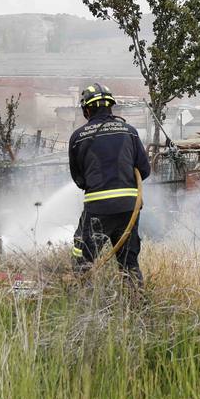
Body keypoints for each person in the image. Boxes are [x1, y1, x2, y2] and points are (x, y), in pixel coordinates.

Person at [67, 82, 151, 282]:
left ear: (87, 110)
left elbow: (79, 180)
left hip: (98, 208)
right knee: (129, 263)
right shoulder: (129, 131)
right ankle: (137, 303)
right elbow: (144, 170)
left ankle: (81, 297)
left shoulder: (78, 137)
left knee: (83, 255)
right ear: (111, 107)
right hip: (129, 206)